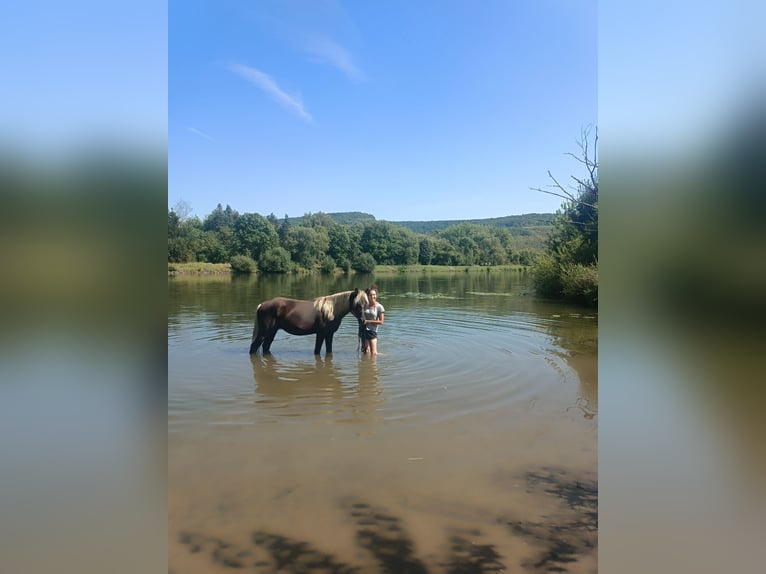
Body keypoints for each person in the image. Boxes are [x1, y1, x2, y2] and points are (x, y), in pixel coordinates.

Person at [360, 284, 385, 355]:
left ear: (376, 295)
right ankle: (366, 365)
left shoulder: (379, 307)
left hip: (372, 331)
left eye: (374, 295)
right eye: (370, 295)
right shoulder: (365, 305)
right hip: (364, 330)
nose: (372, 296)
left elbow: (381, 322)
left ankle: (383, 358)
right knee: (365, 351)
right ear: (368, 296)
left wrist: (368, 321)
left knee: (373, 353)